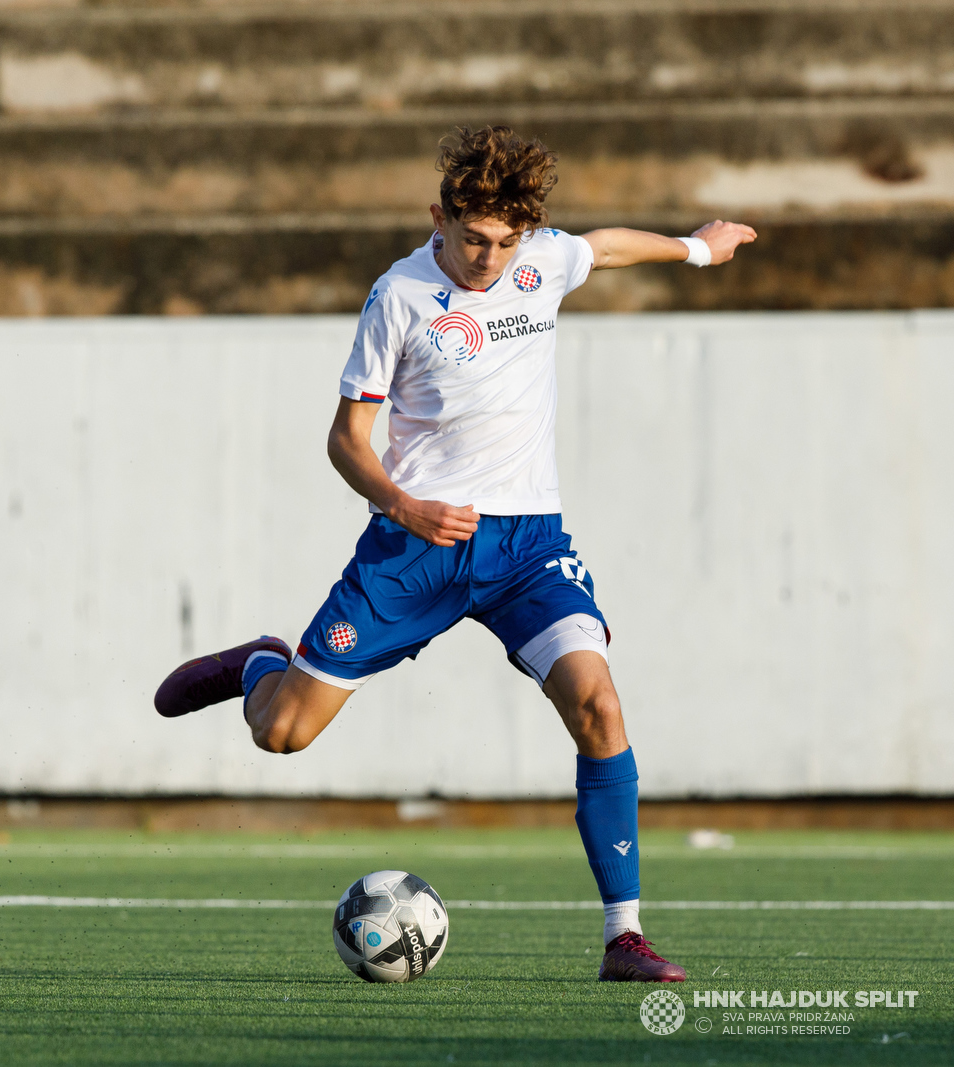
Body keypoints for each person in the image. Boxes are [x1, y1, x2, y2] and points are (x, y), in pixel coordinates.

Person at [153, 125, 757, 983]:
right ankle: (261, 664)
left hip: (526, 547)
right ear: (439, 215)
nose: (489, 258)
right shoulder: (398, 295)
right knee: (282, 735)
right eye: (474, 238)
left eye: (506, 243)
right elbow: (344, 439)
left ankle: (624, 937)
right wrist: (404, 503)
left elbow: (605, 247)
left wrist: (699, 247)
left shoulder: (540, 258)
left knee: (599, 709)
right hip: (414, 544)